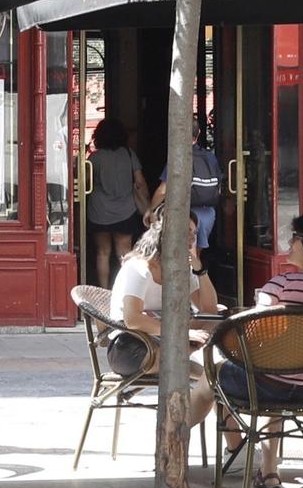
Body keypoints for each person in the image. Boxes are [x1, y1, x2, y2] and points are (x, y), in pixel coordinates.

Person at [192, 210, 303, 488]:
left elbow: (254, 336)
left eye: (296, 238)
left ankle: (172, 443)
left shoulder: (281, 284)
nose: (288, 243)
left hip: (261, 385)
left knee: (210, 377)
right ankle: (268, 472)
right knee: (279, 370)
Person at [107, 217, 220, 377]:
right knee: (207, 374)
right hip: (130, 347)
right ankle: (206, 375)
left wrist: (200, 270)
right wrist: (181, 334)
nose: (193, 237)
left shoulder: (182, 268)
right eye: (186, 231)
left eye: (194, 232)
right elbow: (132, 319)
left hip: (168, 341)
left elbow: (209, 310)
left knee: (214, 321)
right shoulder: (139, 267)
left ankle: (204, 372)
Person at [87, 117, 151, 288]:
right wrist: (148, 204)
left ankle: (103, 291)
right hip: (125, 210)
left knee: (102, 253)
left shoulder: (95, 158)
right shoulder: (129, 154)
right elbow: (140, 182)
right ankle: (126, 291)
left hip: (99, 211)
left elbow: (85, 182)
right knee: (125, 255)